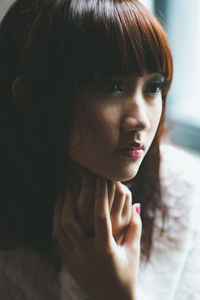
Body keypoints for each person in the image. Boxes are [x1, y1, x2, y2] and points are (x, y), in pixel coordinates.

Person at [0, 0, 200, 299]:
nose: (141, 121)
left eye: (154, 87)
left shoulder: (186, 191)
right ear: (31, 98)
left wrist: (114, 292)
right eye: (112, 85)